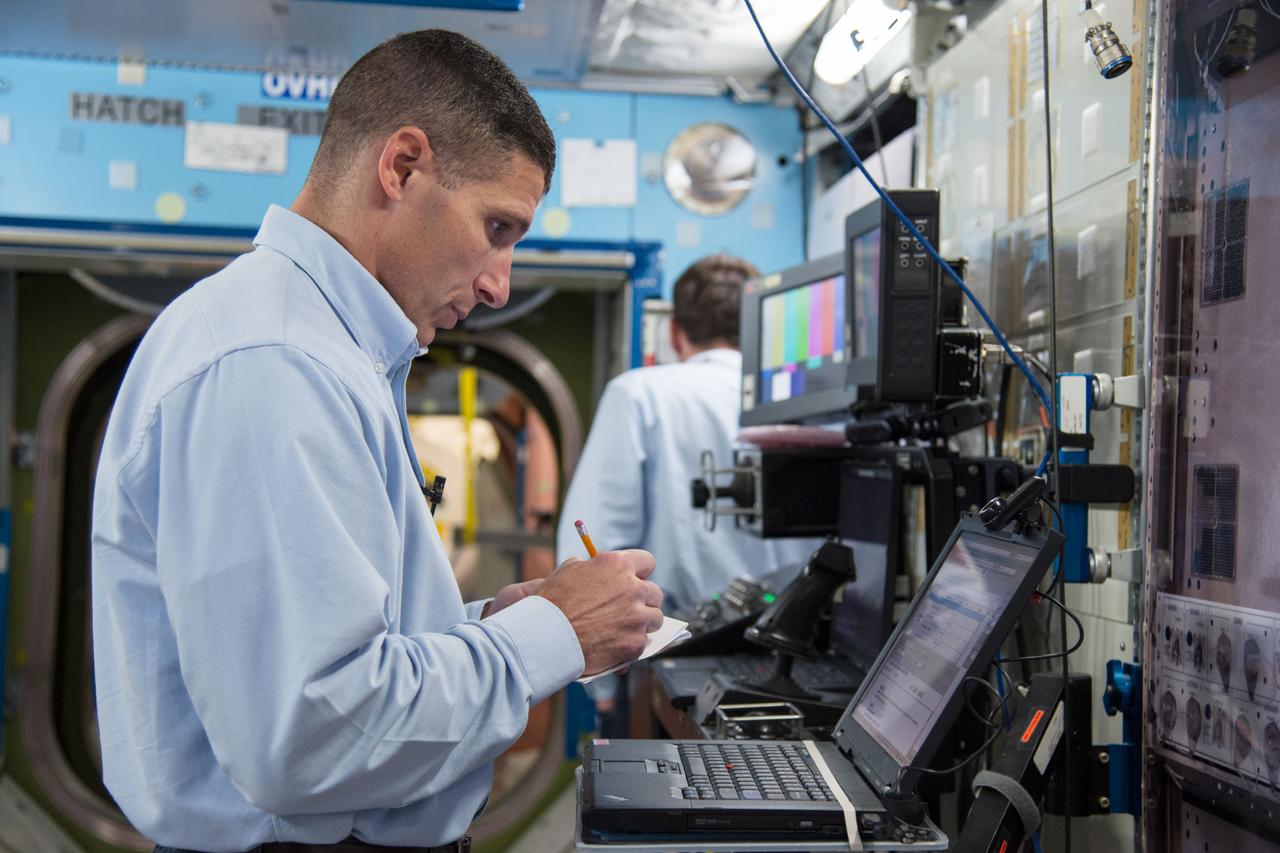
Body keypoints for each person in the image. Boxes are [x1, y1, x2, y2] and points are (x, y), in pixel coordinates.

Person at [91, 30, 662, 853]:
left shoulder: (328, 351)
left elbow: (345, 652)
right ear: (401, 167)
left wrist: (486, 621)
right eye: (498, 226)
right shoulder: (275, 363)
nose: (500, 283)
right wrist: (553, 636)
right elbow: (313, 737)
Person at [554, 255, 820, 724]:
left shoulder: (640, 395)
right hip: (803, 663)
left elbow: (596, 541)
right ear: (762, 330)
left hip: (675, 663)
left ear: (674, 332)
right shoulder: (809, 401)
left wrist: (601, 682)